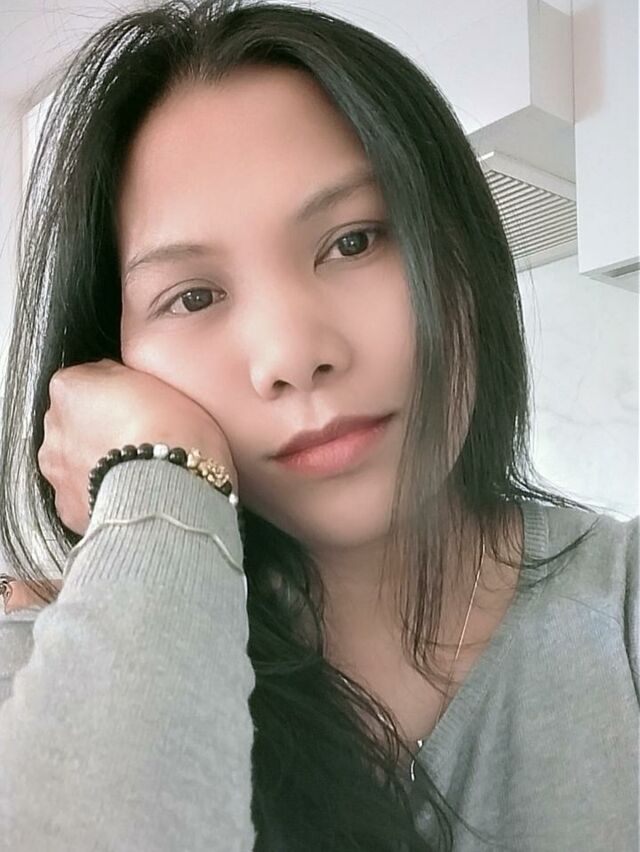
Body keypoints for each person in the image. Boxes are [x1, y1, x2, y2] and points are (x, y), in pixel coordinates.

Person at [0, 1, 637, 849]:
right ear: (108, 362)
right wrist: (159, 481)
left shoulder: (620, 612)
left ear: (462, 252)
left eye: (354, 242)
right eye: (193, 296)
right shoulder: (46, 678)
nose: (293, 357)